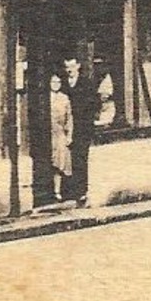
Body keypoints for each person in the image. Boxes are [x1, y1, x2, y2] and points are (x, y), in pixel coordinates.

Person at [63, 55, 96, 204]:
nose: (69, 69)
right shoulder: (62, 84)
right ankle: (68, 191)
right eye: (67, 67)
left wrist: (87, 123)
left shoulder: (86, 83)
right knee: (66, 160)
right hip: (66, 127)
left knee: (80, 159)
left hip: (82, 128)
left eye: (71, 66)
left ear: (78, 67)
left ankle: (81, 191)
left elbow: (93, 105)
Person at [49, 71, 72, 201]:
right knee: (50, 162)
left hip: (60, 133)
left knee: (61, 162)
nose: (55, 85)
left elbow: (69, 118)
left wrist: (69, 135)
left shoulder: (64, 98)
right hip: (48, 133)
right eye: (53, 82)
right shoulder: (45, 98)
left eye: (58, 82)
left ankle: (58, 191)